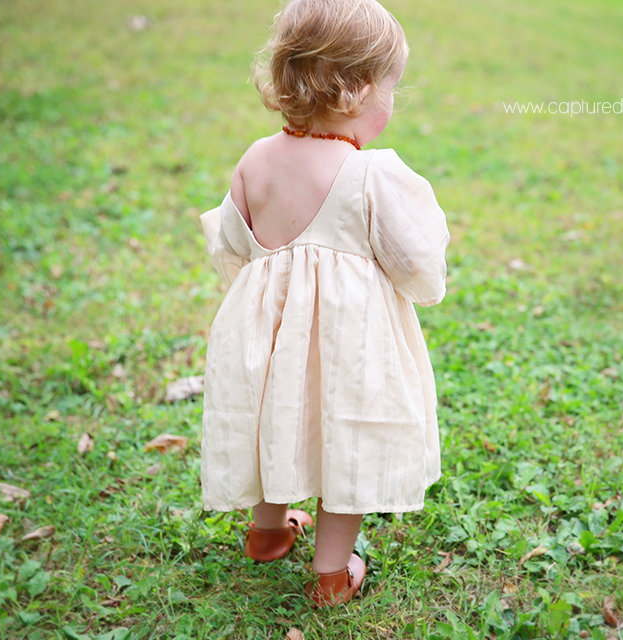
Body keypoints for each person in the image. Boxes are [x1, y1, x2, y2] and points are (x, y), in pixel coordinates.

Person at [198, 0, 449, 607]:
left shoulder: (255, 158)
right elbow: (416, 264)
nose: (393, 100)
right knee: (345, 436)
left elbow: (232, 242)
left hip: (267, 334)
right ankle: (332, 574)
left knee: (274, 420)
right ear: (359, 89)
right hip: (350, 344)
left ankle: (266, 533)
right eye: (392, 86)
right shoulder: (370, 176)